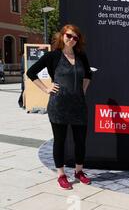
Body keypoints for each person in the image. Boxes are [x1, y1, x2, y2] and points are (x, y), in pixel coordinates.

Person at [27, 24, 92, 190]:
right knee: (60, 141)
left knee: (80, 141)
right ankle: (61, 175)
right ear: (62, 36)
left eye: (75, 38)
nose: (71, 40)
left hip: (78, 106)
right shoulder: (53, 56)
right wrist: (46, 88)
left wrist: (82, 90)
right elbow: (31, 72)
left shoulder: (81, 56)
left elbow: (88, 74)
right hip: (59, 106)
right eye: (68, 36)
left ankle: (79, 171)